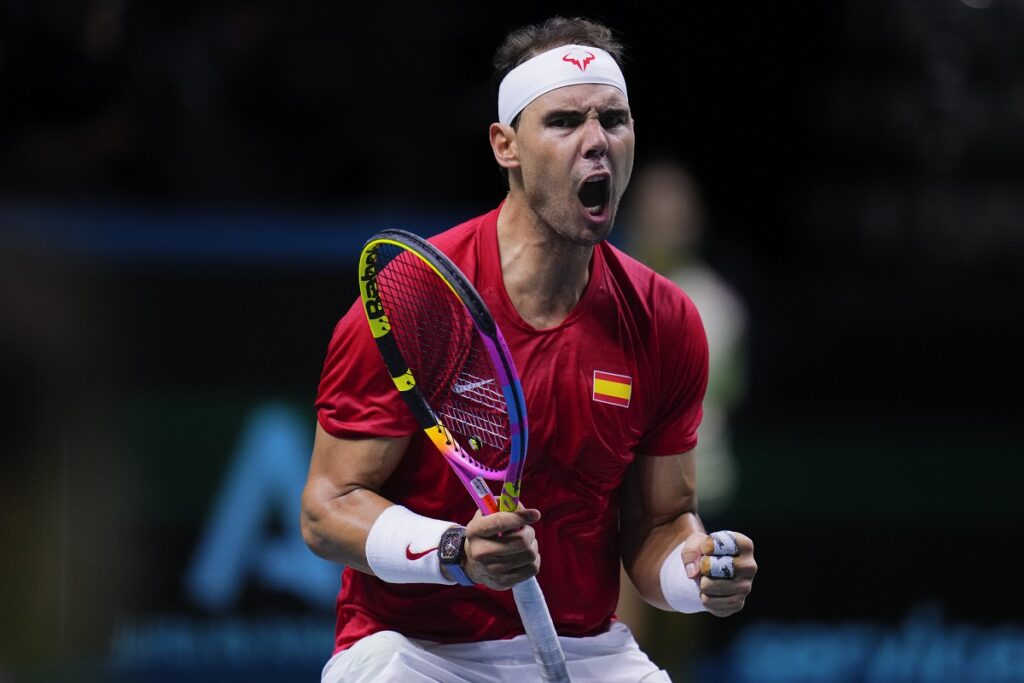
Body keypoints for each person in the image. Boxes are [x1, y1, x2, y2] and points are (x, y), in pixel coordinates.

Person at [301, 16, 757, 683]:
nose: (597, 141)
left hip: (588, 648)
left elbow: (659, 524)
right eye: (565, 121)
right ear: (505, 145)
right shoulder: (418, 298)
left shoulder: (666, 319)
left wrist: (695, 573)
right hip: (411, 647)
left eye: (614, 118)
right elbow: (326, 506)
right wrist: (452, 550)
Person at [615, 160, 751, 673]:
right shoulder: (609, 291)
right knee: (629, 635)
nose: (666, 222)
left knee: (680, 640)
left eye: (678, 211)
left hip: (705, 485)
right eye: (656, 211)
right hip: (626, 492)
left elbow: (730, 393)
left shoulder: (721, 305)